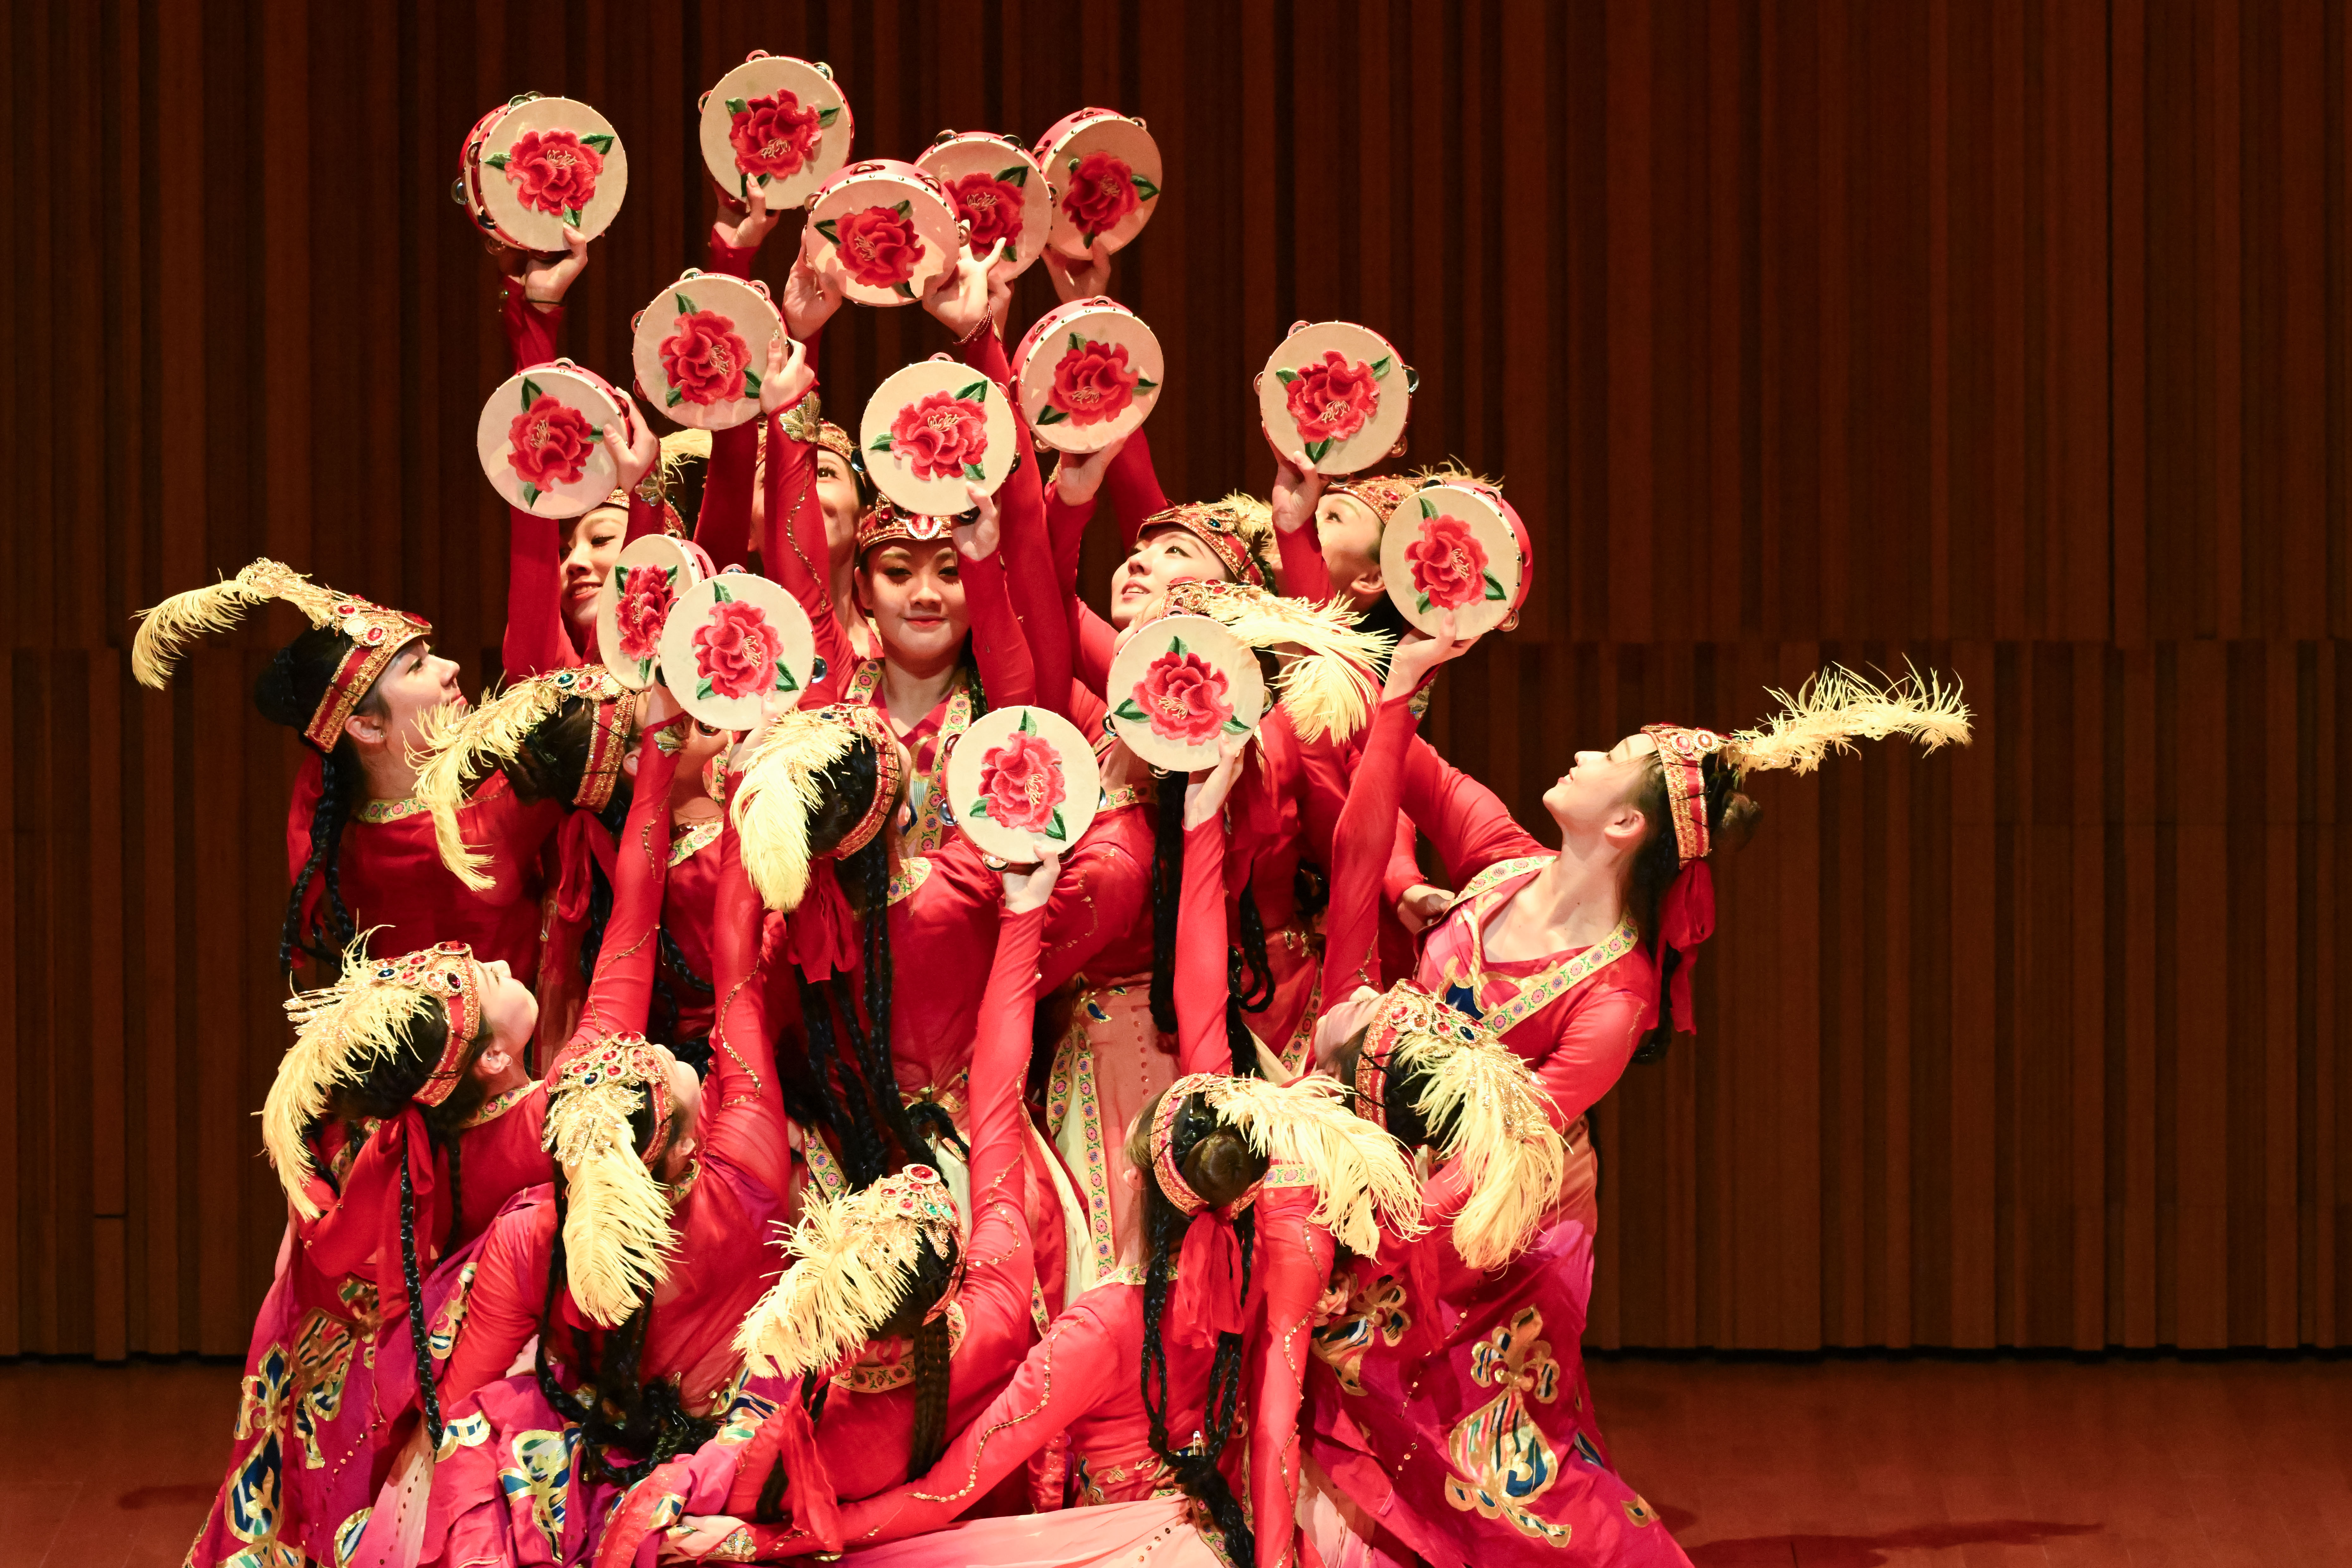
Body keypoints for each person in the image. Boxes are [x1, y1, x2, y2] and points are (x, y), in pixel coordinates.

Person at [183, 717, 685, 1568]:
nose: (497, 963)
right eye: (486, 977)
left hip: (338, 1364)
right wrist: (663, 751)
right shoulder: (555, 1116)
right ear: (493, 1056)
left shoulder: (398, 1136)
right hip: (432, 1391)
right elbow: (634, 923)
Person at [590, 849, 1068, 1563]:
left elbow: (684, 1508)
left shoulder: (803, 1419)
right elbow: (999, 1088)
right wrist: (1025, 912)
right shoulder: (1001, 1297)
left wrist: (753, 1539)